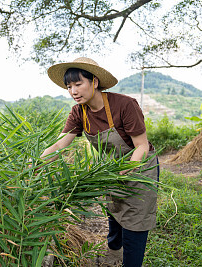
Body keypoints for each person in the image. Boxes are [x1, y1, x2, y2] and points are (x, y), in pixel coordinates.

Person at [42, 57, 159, 267]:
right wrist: (37, 161)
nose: (73, 91)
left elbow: (141, 145)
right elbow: (60, 144)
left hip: (140, 166)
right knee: (114, 211)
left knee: (135, 222)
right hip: (113, 167)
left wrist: (124, 172)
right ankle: (114, 252)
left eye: (78, 84)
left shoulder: (124, 105)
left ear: (94, 82)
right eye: (69, 86)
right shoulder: (79, 112)